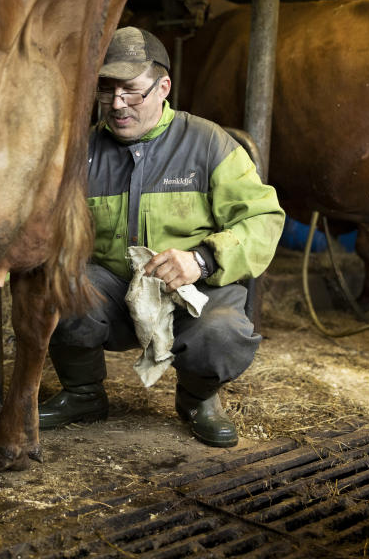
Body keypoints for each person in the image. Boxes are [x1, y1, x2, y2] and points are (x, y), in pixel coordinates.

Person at [38, 27, 285, 447]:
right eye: (106, 89)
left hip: (195, 288)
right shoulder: (82, 151)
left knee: (222, 332)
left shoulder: (209, 144)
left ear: (163, 86)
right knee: (58, 288)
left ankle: (197, 400)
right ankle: (82, 394)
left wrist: (202, 259)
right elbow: (43, 224)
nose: (117, 105)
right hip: (113, 291)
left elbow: (264, 218)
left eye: (131, 91)